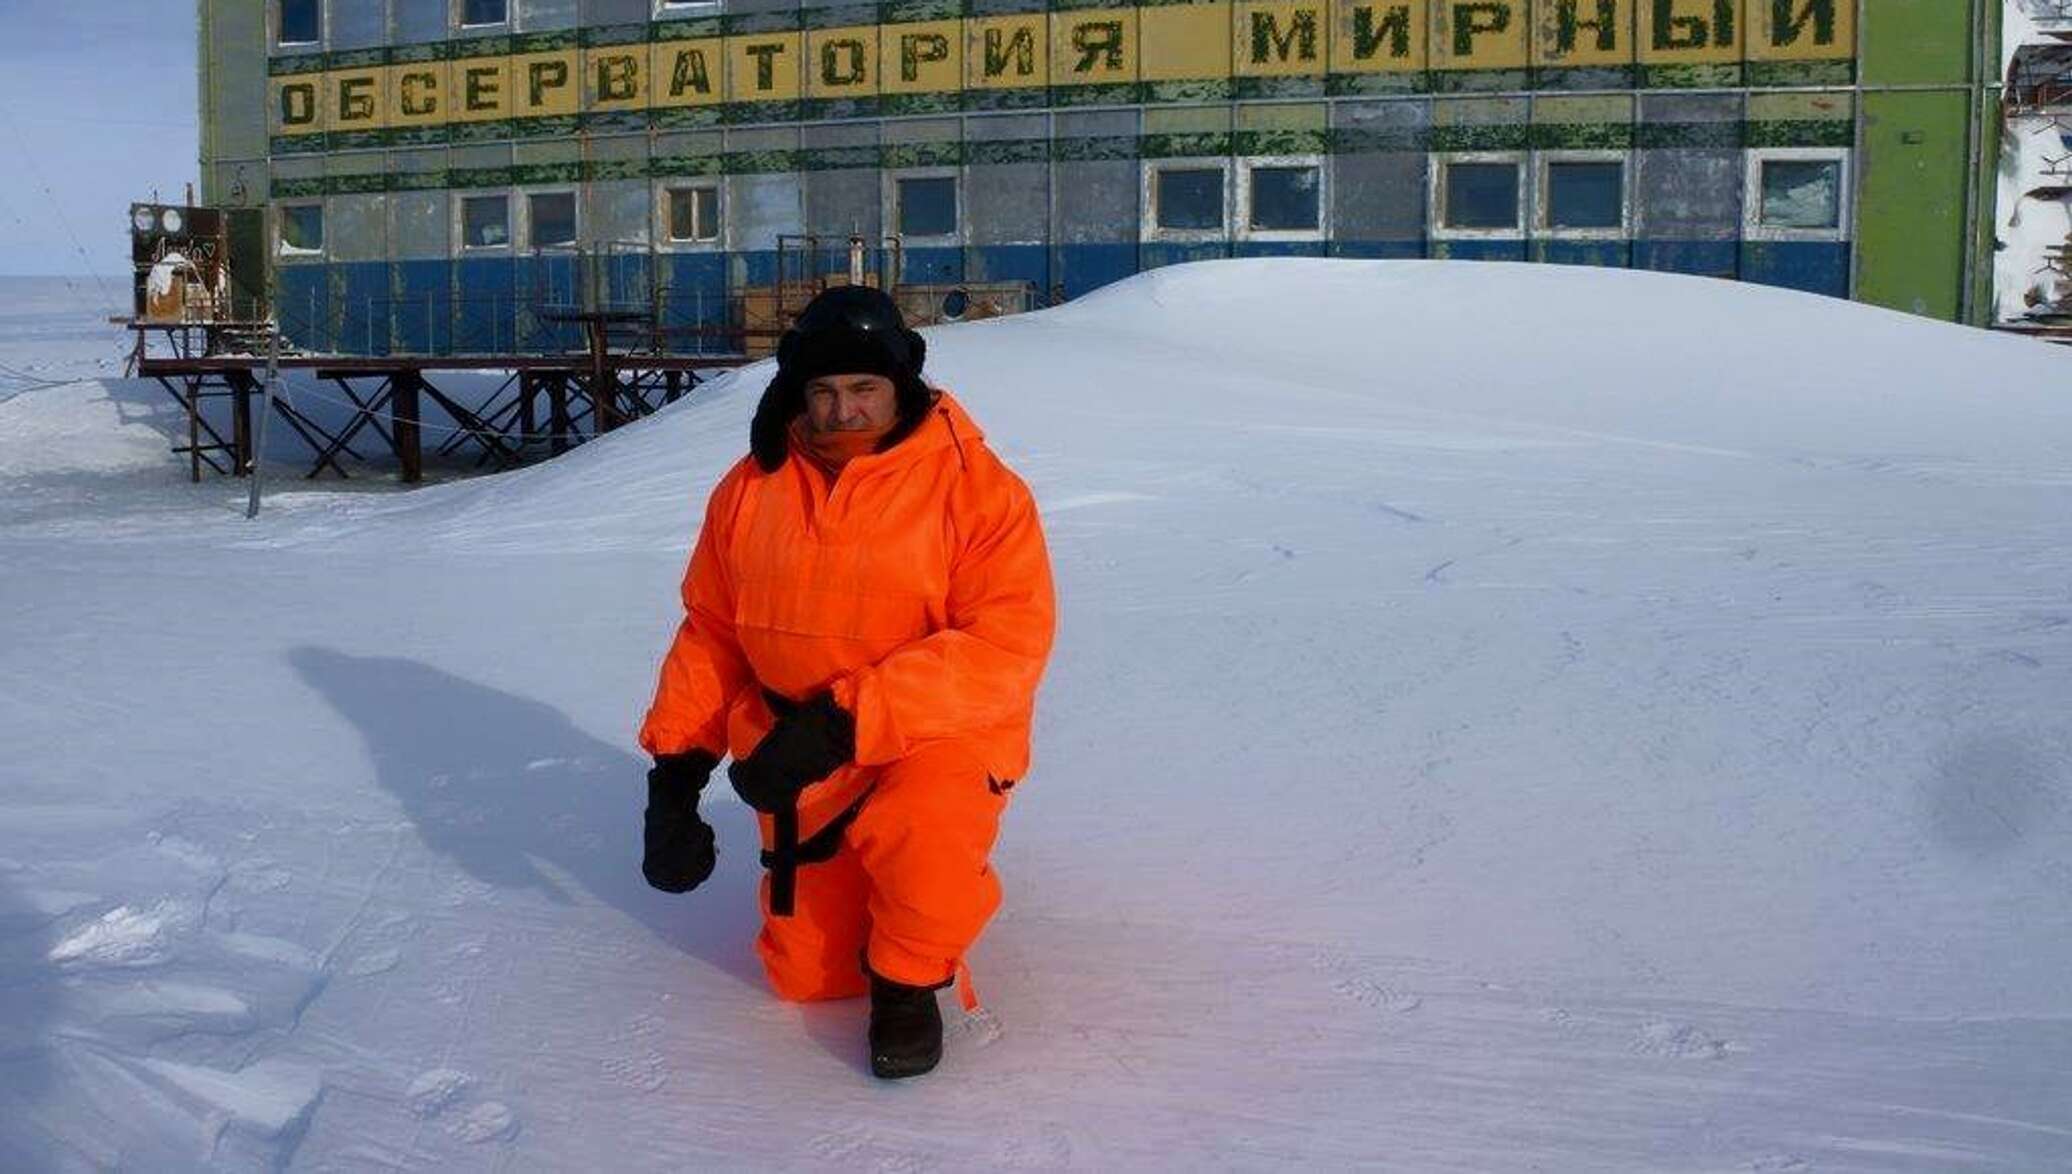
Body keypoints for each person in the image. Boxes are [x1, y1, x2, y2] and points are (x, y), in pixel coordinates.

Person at [636, 285, 1056, 1079]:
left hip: (937, 736)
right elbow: (712, 631)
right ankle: (874, 924)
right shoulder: (749, 487)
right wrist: (676, 776)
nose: (842, 411)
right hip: (794, 745)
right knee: (808, 979)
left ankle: (910, 983)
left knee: (922, 835)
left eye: (864, 389)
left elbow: (1006, 644)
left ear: (903, 387)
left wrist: (839, 722)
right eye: (822, 391)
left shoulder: (979, 489)